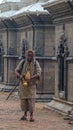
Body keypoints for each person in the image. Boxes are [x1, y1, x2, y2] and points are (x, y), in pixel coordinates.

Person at [15, 49, 41, 122]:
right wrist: (20, 76)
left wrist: (31, 77)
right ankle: (25, 114)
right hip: (23, 85)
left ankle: (31, 116)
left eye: (31, 56)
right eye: (28, 56)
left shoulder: (36, 63)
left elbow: (39, 73)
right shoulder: (23, 62)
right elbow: (16, 70)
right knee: (23, 100)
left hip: (31, 85)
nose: (29, 57)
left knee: (31, 101)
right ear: (26, 56)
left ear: (33, 56)